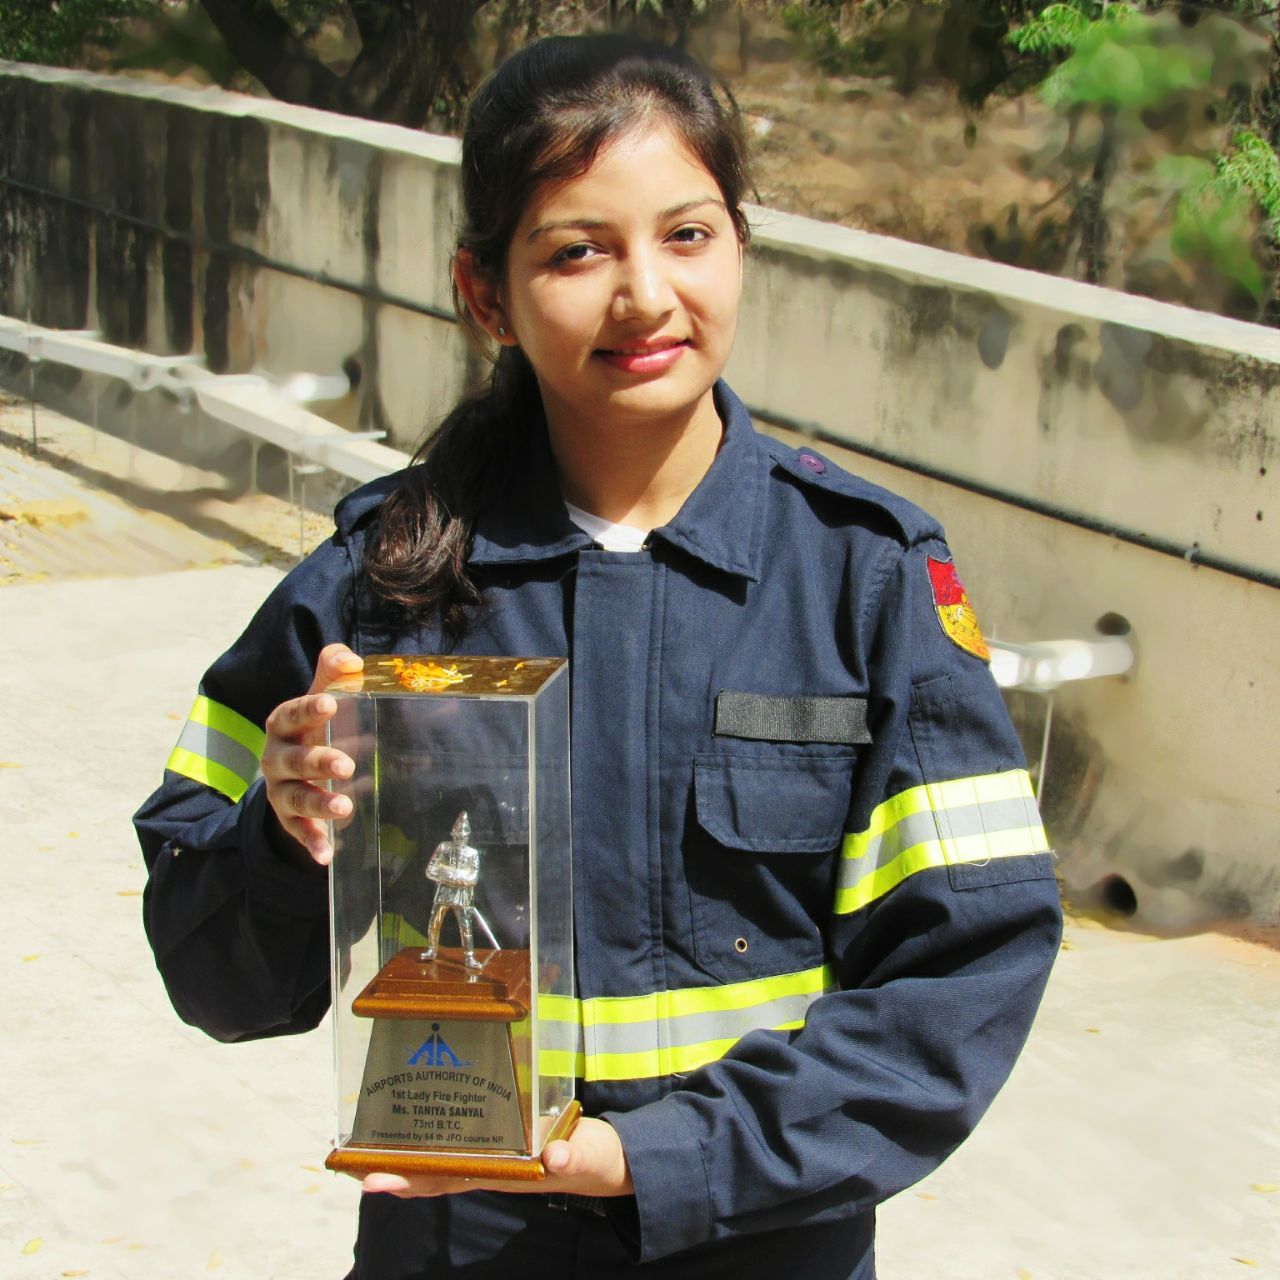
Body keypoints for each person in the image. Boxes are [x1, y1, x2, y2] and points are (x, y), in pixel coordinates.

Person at [135, 32, 1062, 1280]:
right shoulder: (376, 588)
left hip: (762, 1245)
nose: (644, 295)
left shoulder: (864, 575)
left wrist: (663, 1157)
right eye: (576, 250)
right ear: (484, 294)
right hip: (455, 1249)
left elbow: (961, 972)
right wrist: (285, 832)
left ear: (740, 244)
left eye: (687, 234)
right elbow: (215, 976)